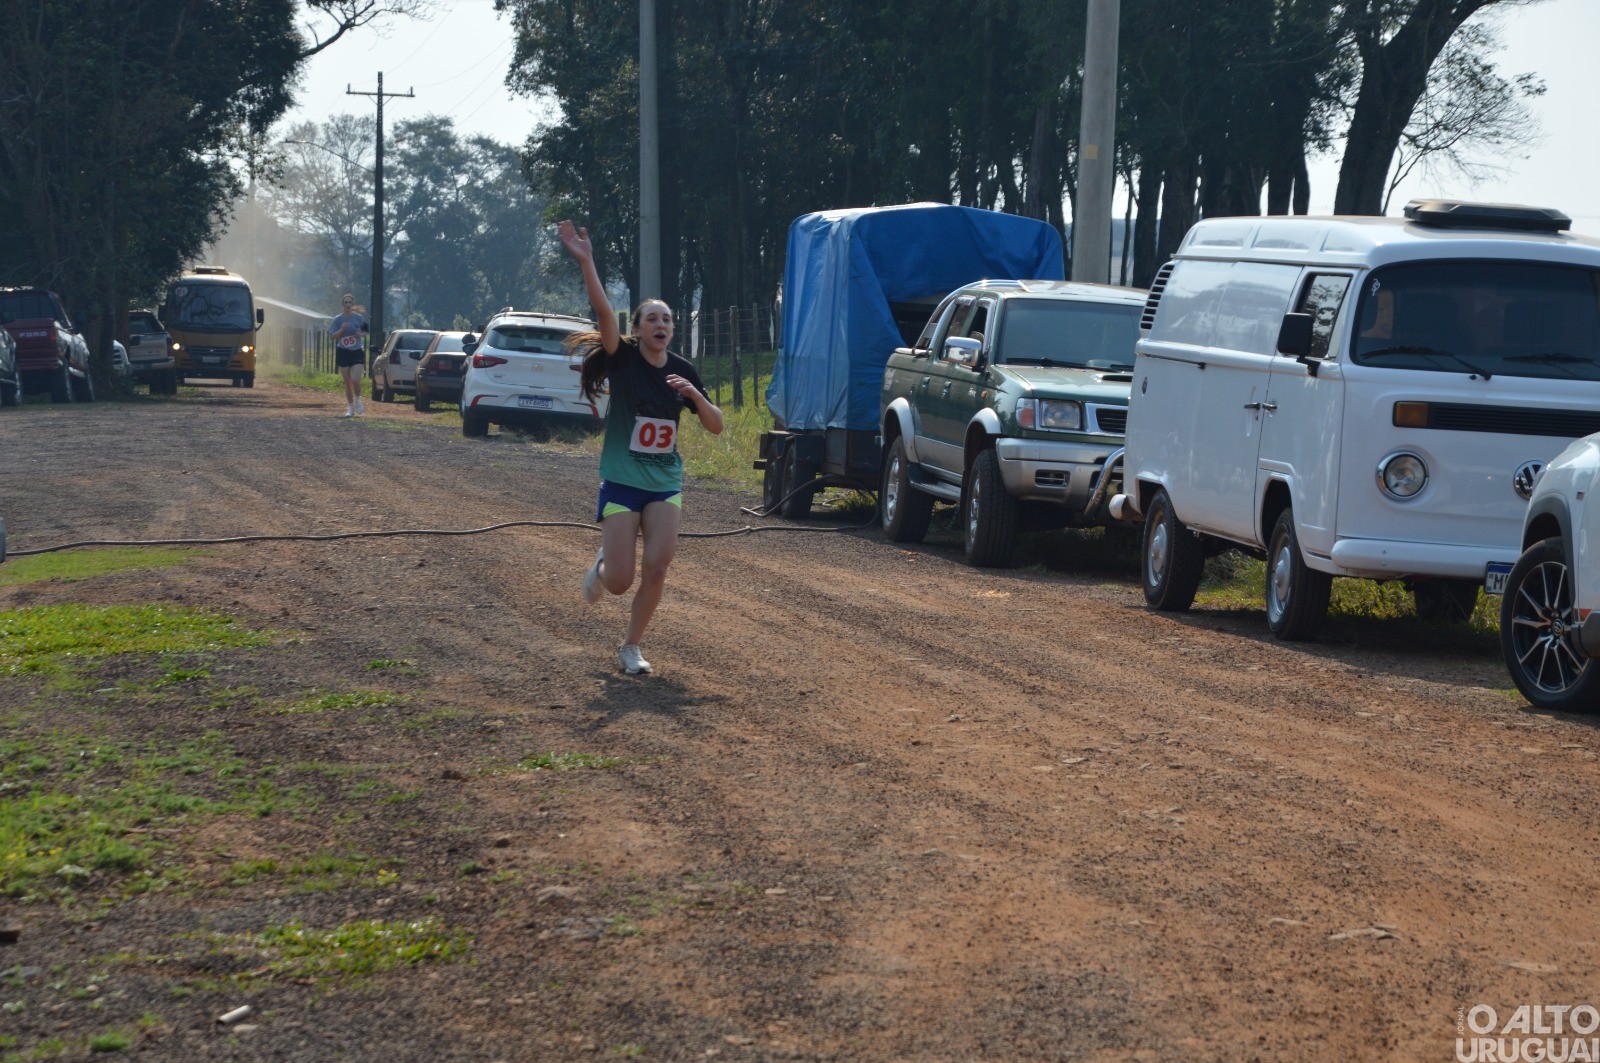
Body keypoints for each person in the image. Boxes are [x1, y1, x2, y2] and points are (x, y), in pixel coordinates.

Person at [558, 219, 723, 675]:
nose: (661, 324)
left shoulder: (685, 370)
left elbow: (717, 427)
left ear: (673, 329)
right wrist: (587, 260)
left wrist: (694, 396)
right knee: (619, 582)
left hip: (665, 481)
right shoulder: (624, 358)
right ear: (638, 327)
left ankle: (631, 647)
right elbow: (605, 315)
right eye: (652, 317)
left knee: (658, 564)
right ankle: (604, 565)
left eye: (667, 319)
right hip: (623, 482)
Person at [328, 293, 368, 417]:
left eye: (350, 302)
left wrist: (360, 335)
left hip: (356, 351)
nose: (348, 304)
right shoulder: (338, 319)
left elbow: (366, 331)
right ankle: (350, 408)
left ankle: (358, 400)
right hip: (343, 352)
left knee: (356, 379)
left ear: (353, 304)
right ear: (342, 305)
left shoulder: (358, 318)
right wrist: (342, 329)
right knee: (348, 382)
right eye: (345, 302)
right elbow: (332, 336)